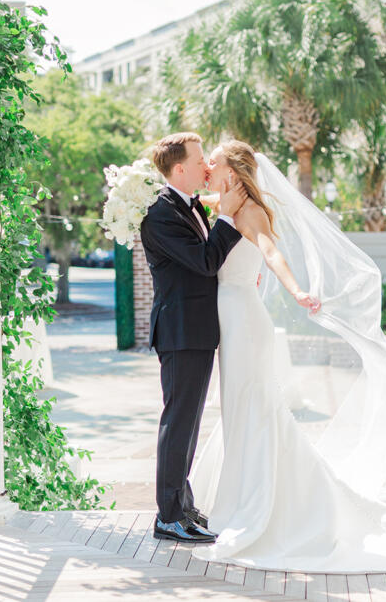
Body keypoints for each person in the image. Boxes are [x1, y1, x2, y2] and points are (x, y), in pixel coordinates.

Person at [188, 140, 386, 572]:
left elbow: (271, 253)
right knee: (238, 404)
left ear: (232, 172)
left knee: (253, 403)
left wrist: (296, 291)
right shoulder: (220, 206)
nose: (206, 168)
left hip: (244, 321)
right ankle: (234, 497)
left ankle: (261, 503)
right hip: (229, 316)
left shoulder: (248, 212)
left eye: (212, 163)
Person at [138, 132, 247, 544]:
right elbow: (204, 262)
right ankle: (167, 516)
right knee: (178, 422)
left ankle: (182, 505)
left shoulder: (188, 205)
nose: (207, 167)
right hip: (181, 331)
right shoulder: (161, 214)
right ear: (179, 168)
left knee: (189, 423)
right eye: (200, 160)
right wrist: (229, 218)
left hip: (196, 331)